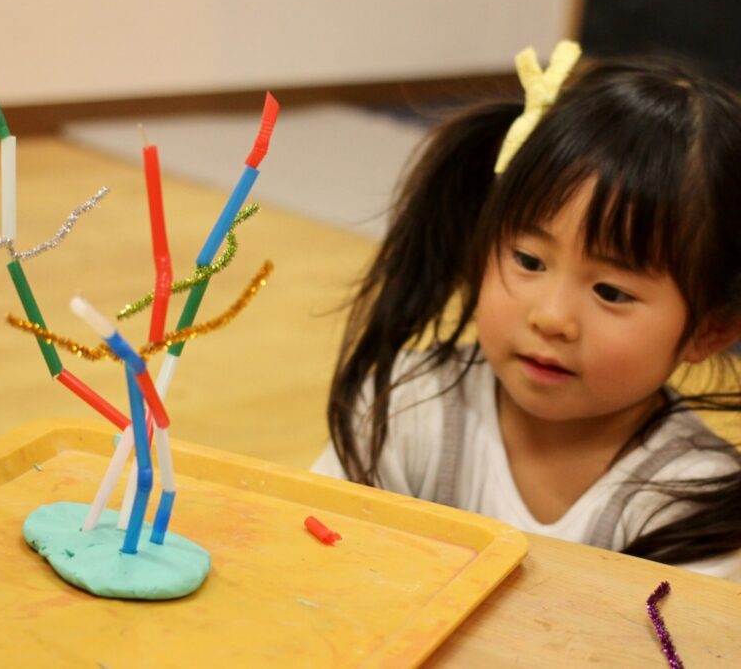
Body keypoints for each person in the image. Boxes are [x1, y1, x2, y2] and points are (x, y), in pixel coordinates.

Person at [313, 41, 741, 579]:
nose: (552, 317)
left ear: (709, 330)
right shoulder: (408, 408)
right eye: (529, 259)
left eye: (611, 291)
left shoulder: (693, 505)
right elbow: (317, 569)